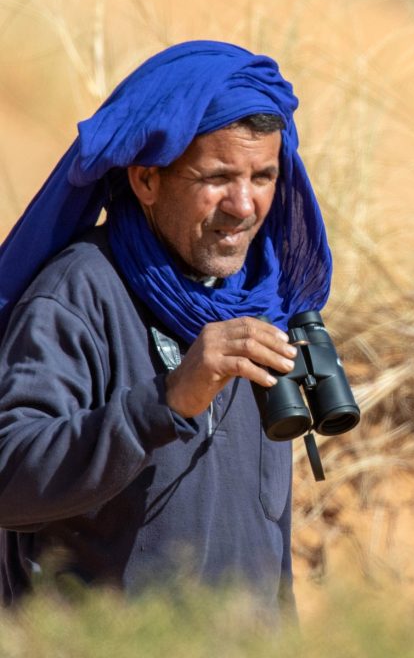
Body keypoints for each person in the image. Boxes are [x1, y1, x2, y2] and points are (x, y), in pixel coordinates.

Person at [0, 41, 333, 620]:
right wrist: (166, 401)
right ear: (147, 179)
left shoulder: (266, 301)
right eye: (219, 177)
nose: (244, 204)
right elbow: (9, 474)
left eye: (264, 176)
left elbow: (264, 543)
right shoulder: (80, 292)